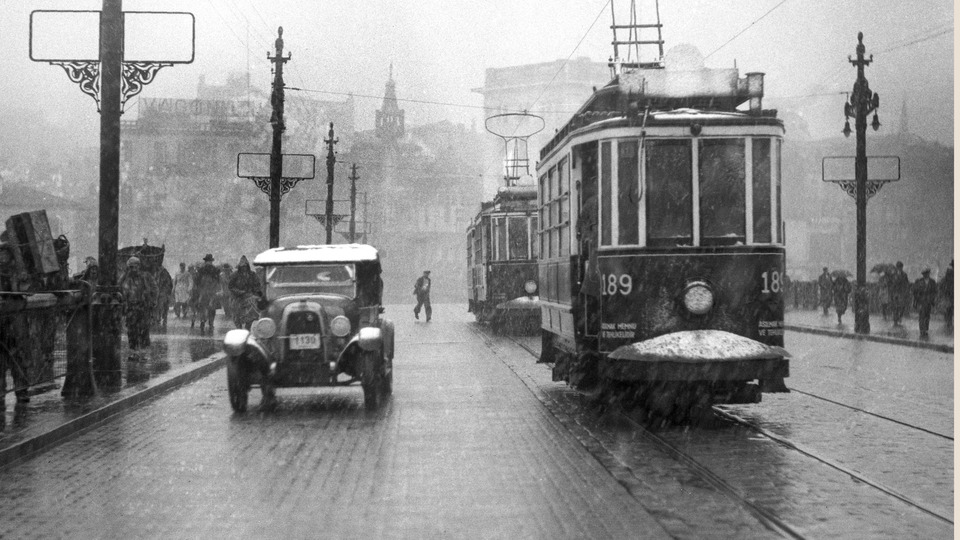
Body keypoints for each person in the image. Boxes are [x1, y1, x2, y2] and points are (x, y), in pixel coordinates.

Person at [119, 256, 157, 350]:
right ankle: (133, 351)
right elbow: (118, 286)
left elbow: (154, 288)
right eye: (131, 267)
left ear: (139, 266)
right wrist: (124, 274)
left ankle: (142, 352)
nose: (134, 269)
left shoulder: (146, 276)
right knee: (132, 331)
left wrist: (152, 301)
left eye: (135, 266)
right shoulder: (125, 277)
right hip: (131, 308)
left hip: (143, 307)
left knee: (144, 330)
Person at [228, 255, 262, 330]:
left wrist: (257, 293)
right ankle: (239, 328)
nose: (244, 268)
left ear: (247, 266)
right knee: (236, 314)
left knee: (251, 313)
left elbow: (257, 285)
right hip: (237, 298)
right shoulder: (235, 275)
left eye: (245, 266)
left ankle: (248, 328)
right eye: (242, 266)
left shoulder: (252, 275)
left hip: (249, 296)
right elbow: (231, 286)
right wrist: (239, 292)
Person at [192, 254, 221, 334]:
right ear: (211, 261)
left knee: (202, 307)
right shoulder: (215, 270)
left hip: (203, 291)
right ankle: (211, 323)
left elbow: (197, 282)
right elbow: (218, 281)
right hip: (212, 291)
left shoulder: (201, 270)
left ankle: (202, 321)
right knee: (212, 308)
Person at [912, 268, 938, 338]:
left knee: (927, 316)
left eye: (927, 273)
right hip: (921, 301)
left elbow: (935, 292)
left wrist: (932, 299)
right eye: (924, 274)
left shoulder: (932, 282)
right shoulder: (919, 282)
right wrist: (917, 300)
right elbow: (915, 291)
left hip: (928, 302)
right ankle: (921, 330)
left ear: (929, 274)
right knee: (921, 316)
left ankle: (926, 329)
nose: (925, 275)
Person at [890, 261, 911, 326]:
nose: (899, 268)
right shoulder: (893, 275)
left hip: (902, 292)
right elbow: (891, 283)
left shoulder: (904, 275)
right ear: (897, 267)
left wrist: (907, 290)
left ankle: (899, 317)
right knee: (895, 307)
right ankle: (895, 319)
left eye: (900, 267)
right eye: (898, 267)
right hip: (895, 292)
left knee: (902, 306)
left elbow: (906, 283)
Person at [940, 260, 953, 329]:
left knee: (948, 310)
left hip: (949, 295)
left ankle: (948, 323)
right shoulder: (949, 273)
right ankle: (948, 323)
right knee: (949, 310)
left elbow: (943, 284)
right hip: (950, 295)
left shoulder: (949, 273)